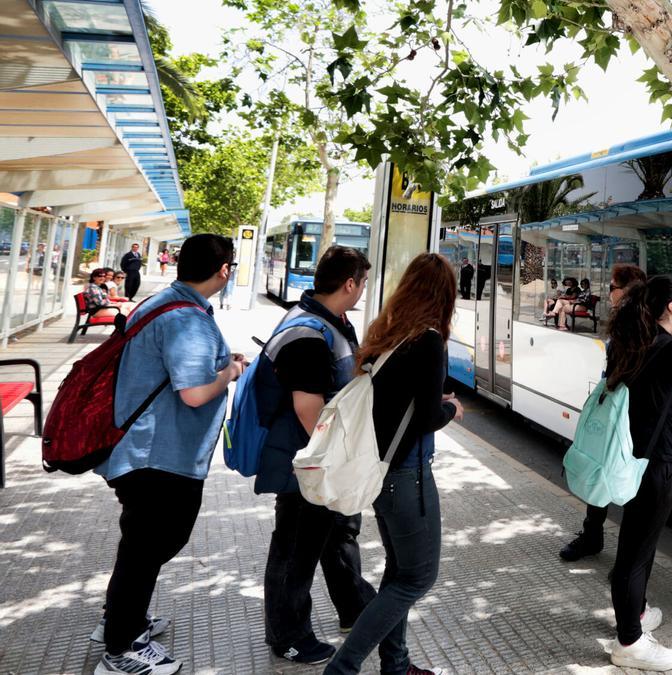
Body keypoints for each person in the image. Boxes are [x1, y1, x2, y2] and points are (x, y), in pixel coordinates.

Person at [92, 234, 246, 675]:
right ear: (223, 270)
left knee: (140, 545)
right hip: (158, 454)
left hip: (140, 450)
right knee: (151, 545)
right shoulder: (186, 319)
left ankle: (121, 621)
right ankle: (121, 649)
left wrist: (218, 363)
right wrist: (231, 371)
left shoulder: (161, 303)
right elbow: (195, 393)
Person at [324, 252, 462, 675]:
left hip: (383, 473)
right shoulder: (430, 341)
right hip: (408, 476)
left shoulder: (389, 334)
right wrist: (450, 410)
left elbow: (394, 402)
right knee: (418, 577)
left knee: (400, 572)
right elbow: (423, 419)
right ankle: (343, 668)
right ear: (445, 295)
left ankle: (396, 664)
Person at [258, 247, 378, 665]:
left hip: (323, 460)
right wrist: (339, 461)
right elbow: (308, 407)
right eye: (362, 283)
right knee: (295, 549)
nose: (363, 290)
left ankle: (356, 608)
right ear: (350, 284)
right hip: (307, 464)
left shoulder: (333, 323)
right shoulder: (307, 333)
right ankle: (288, 635)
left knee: (338, 534)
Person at [605, 275, 672, 672]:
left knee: (634, 543)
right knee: (636, 552)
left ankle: (638, 614)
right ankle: (629, 641)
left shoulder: (629, 341)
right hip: (659, 461)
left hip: (630, 456)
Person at [559, 263, 647, 562]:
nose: (608, 292)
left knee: (617, 470)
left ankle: (600, 540)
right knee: (607, 466)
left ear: (626, 291)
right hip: (619, 407)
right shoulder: (628, 322)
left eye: (611, 287)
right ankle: (595, 534)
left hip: (628, 412)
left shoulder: (637, 326)